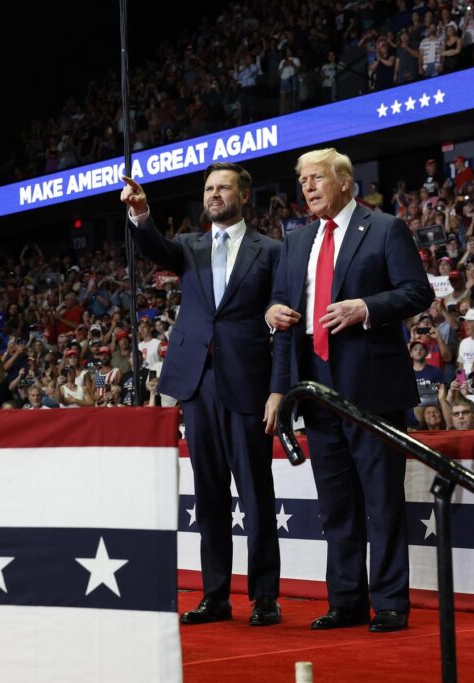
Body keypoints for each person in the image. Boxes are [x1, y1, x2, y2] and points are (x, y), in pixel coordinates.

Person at [266, 147, 433, 633]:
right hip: (316, 393)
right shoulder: (295, 242)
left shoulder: (383, 228)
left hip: (372, 390)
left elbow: (417, 291)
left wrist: (367, 307)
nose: (308, 188)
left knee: (381, 502)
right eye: (302, 181)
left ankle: (390, 603)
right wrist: (279, 377)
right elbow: (283, 316)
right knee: (336, 505)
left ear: (344, 181)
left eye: (317, 178)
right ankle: (345, 601)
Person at [120, 162, 288, 627]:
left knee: (256, 495)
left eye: (223, 188)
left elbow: (280, 309)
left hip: (248, 384)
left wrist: (278, 388)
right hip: (197, 385)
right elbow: (153, 247)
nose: (214, 195)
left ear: (244, 195)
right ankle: (215, 594)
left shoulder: (272, 250)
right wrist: (140, 214)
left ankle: (265, 596)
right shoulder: (190, 247)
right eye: (209, 189)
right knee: (209, 496)